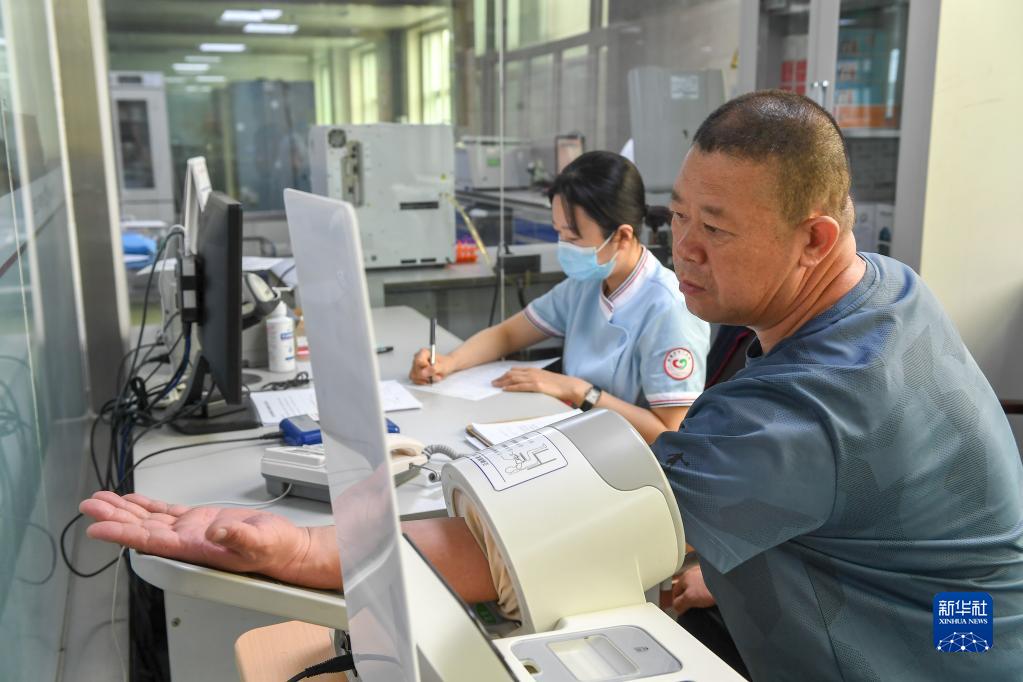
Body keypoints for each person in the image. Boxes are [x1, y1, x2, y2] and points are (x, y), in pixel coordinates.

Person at [81, 91, 1023, 680]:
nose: (684, 250)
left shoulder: (818, 404)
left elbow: (530, 542)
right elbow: (829, 499)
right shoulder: (877, 287)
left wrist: (298, 548)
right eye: (679, 216)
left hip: (945, 645)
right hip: (959, 610)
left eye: (716, 230)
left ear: (814, 238)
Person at [410, 150, 710, 443]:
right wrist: (448, 362)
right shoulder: (586, 284)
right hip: (578, 434)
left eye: (573, 237)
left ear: (622, 236)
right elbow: (507, 335)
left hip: (630, 456)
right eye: (559, 233)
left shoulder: (669, 308)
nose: (564, 246)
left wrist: (578, 391)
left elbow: (669, 433)